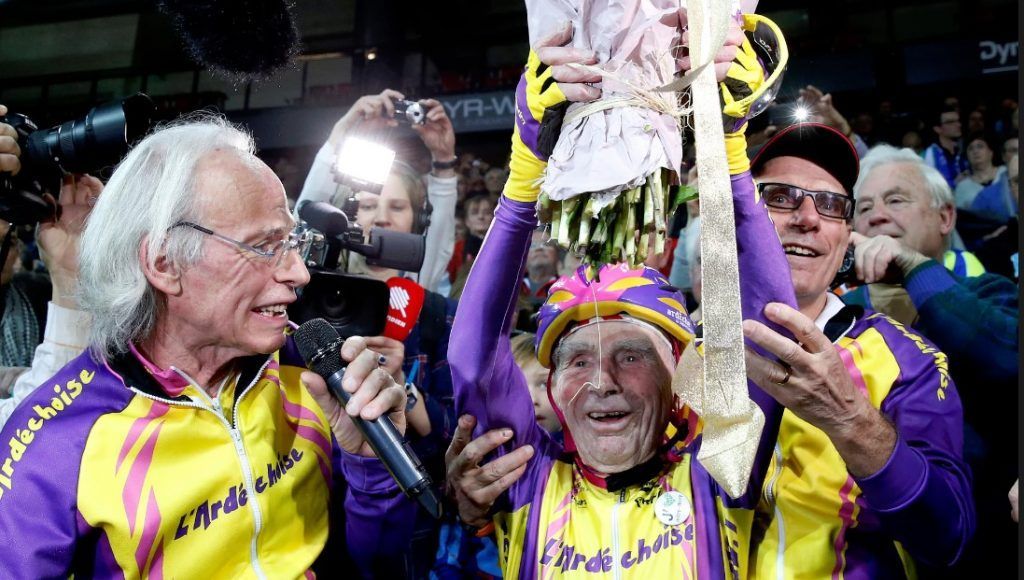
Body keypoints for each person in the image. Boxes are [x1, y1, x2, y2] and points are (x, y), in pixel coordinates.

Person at [450, 122, 975, 578]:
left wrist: (852, 423)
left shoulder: (908, 359)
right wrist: (480, 484)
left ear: (848, 234)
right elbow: (545, 430)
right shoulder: (669, 349)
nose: (807, 218)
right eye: (779, 197)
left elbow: (948, 539)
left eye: (832, 205)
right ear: (733, 213)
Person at [0, 116, 416, 578]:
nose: (298, 274)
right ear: (164, 264)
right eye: (264, 246)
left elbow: (378, 561)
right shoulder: (58, 438)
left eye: (293, 241)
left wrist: (371, 469)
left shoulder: (313, 371)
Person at [844, 143, 1018, 576]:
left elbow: (1007, 359)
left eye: (896, 199)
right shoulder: (836, 316)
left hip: (985, 546)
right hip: (862, 552)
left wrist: (915, 268)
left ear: (945, 218)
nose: (877, 215)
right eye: (863, 207)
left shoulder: (990, 293)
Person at [298, 88, 457, 293]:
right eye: (368, 205)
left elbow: (439, 236)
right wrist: (340, 134)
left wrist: (444, 158)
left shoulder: (417, 281)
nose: (382, 218)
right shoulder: (321, 264)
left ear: (418, 219)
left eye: (398, 207)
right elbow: (307, 216)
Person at [954, 133, 1006, 210]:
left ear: (991, 152)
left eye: (980, 146)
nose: (975, 151)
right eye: (970, 148)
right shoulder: (963, 187)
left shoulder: (1005, 173)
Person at [923, 106, 969, 189]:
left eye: (958, 121)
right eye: (951, 122)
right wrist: (954, 183)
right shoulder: (931, 154)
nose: (958, 125)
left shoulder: (966, 148)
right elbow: (931, 188)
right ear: (937, 129)